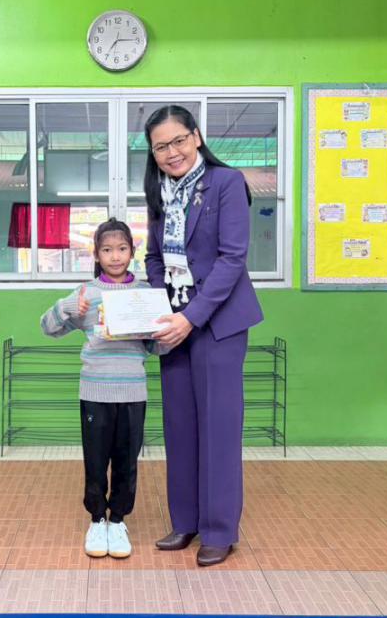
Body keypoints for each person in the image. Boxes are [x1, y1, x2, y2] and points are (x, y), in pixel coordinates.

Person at [143, 105, 263, 566]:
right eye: (160, 147)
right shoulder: (159, 191)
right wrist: (163, 309)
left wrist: (190, 317)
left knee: (218, 426)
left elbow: (233, 259)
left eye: (178, 140)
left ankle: (219, 529)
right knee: (180, 426)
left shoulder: (226, 182)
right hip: (173, 323)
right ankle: (186, 521)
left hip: (217, 324)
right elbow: (154, 258)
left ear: (196, 137)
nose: (171, 152)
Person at [40, 218, 165, 559]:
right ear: (96, 254)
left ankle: (118, 521)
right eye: (107, 250)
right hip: (95, 392)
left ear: (132, 251)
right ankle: (97, 520)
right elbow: (47, 328)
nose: (115, 256)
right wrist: (68, 308)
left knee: (126, 462)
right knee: (96, 462)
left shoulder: (145, 294)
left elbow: (161, 348)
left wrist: (156, 333)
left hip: (133, 393)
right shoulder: (86, 293)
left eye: (122, 249)